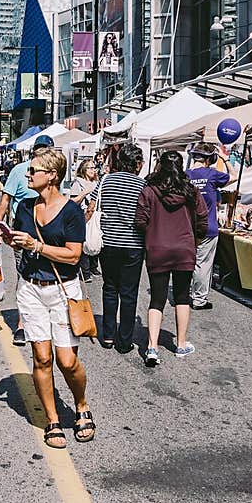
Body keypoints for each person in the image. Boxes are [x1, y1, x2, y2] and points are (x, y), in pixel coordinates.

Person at [0, 146, 95, 448]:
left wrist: (36, 246)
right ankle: (52, 420)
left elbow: (73, 255)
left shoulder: (71, 212)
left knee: (67, 361)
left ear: (52, 176)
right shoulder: (26, 207)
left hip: (63, 291)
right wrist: (13, 240)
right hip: (30, 290)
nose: (27, 175)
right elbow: (22, 243)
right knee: (42, 357)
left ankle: (81, 405)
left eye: (32, 171)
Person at [134, 151, 207, 365]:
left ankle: (152, 348)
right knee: (182, 297)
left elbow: (140, 221)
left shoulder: (149, 191)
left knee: (157, 299)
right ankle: (181, 344)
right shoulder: (191, 191)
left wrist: (152, 233)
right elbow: (203, 220)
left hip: (157, 248)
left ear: (160, 166)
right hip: (184, 247)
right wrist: (195, 239)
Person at [0, 134, 56, 346]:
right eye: (40, 150)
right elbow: (6, 198)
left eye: (47, 151)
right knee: (25, 276)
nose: (43, 154)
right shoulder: (20, 171)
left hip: (49, 232)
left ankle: (49, 321)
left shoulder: (54, 173)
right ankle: (22, 324)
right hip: (22, 231)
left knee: (50, 276)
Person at [96, 141, 146, 353]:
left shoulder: (105, 181)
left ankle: (107, 335)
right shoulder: (143, 186)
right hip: (133, 244)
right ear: (136, 163)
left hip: (107, 243)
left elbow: (92, 205)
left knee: (109, 287)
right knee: (128, 292)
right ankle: (124, 341)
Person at [186, 144, 230, 311]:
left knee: (190, 262)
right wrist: (225, 159)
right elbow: (233, 176)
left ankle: (186, 294)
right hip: (209, 228)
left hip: (189, 227)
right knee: (203, 264)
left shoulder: (186, 175)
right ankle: (199, 300)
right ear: (210, 159)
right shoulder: (212, 174)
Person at [69, 157, 100, 283]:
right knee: (84, 241)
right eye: (90, 168)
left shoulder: (97, 183)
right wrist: (84, 193)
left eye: (94, 167)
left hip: (95, 215)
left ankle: (94, 267)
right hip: (82, 215)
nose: (93, 170)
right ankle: (85, 271)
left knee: (95, 239)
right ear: (84, 169)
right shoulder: (78, 183)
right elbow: (72, 201)